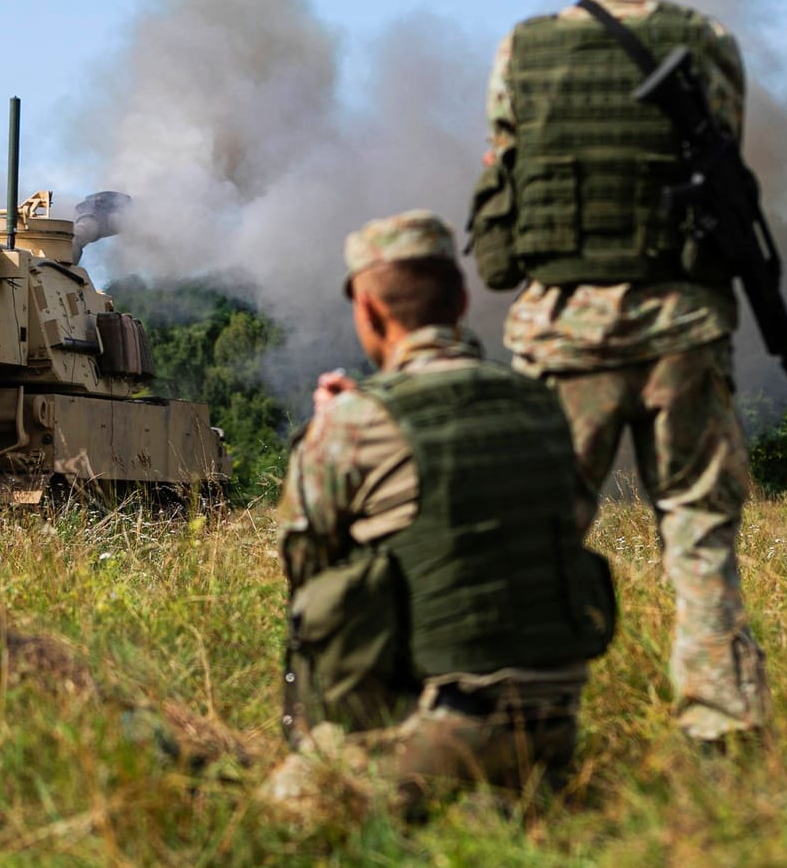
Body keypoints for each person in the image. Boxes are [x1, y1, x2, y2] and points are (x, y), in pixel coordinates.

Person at [465, 0, 771, 746]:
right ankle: (721, 736)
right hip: (683, 325)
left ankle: (526, 732)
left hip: (564, 327)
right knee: (700, 534)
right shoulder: (708, 42)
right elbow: (724, 168)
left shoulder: (524, 49)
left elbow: (501, 178)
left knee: (541, 537)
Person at [259, 211, 617, 822]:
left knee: (289, 803)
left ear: (369, 312)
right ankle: (507, 803)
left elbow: (304, 566)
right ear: (463, 299)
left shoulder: (354, 423)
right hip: (557, 726)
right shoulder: (544, 404)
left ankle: (452, 803)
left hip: (452, 725)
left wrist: (326, 434)